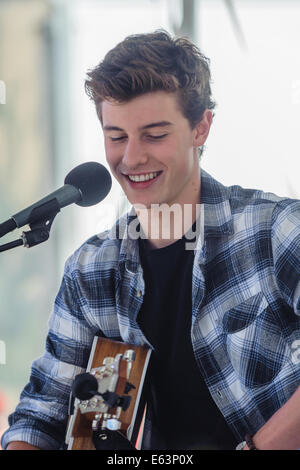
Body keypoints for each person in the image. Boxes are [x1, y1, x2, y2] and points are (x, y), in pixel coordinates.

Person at [2, 30, 300, 451]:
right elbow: (41, 416)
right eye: (116, 136)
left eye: (154, 135)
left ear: (201, 127)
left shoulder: (276, 230)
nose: (132, 158)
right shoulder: (92, 270)